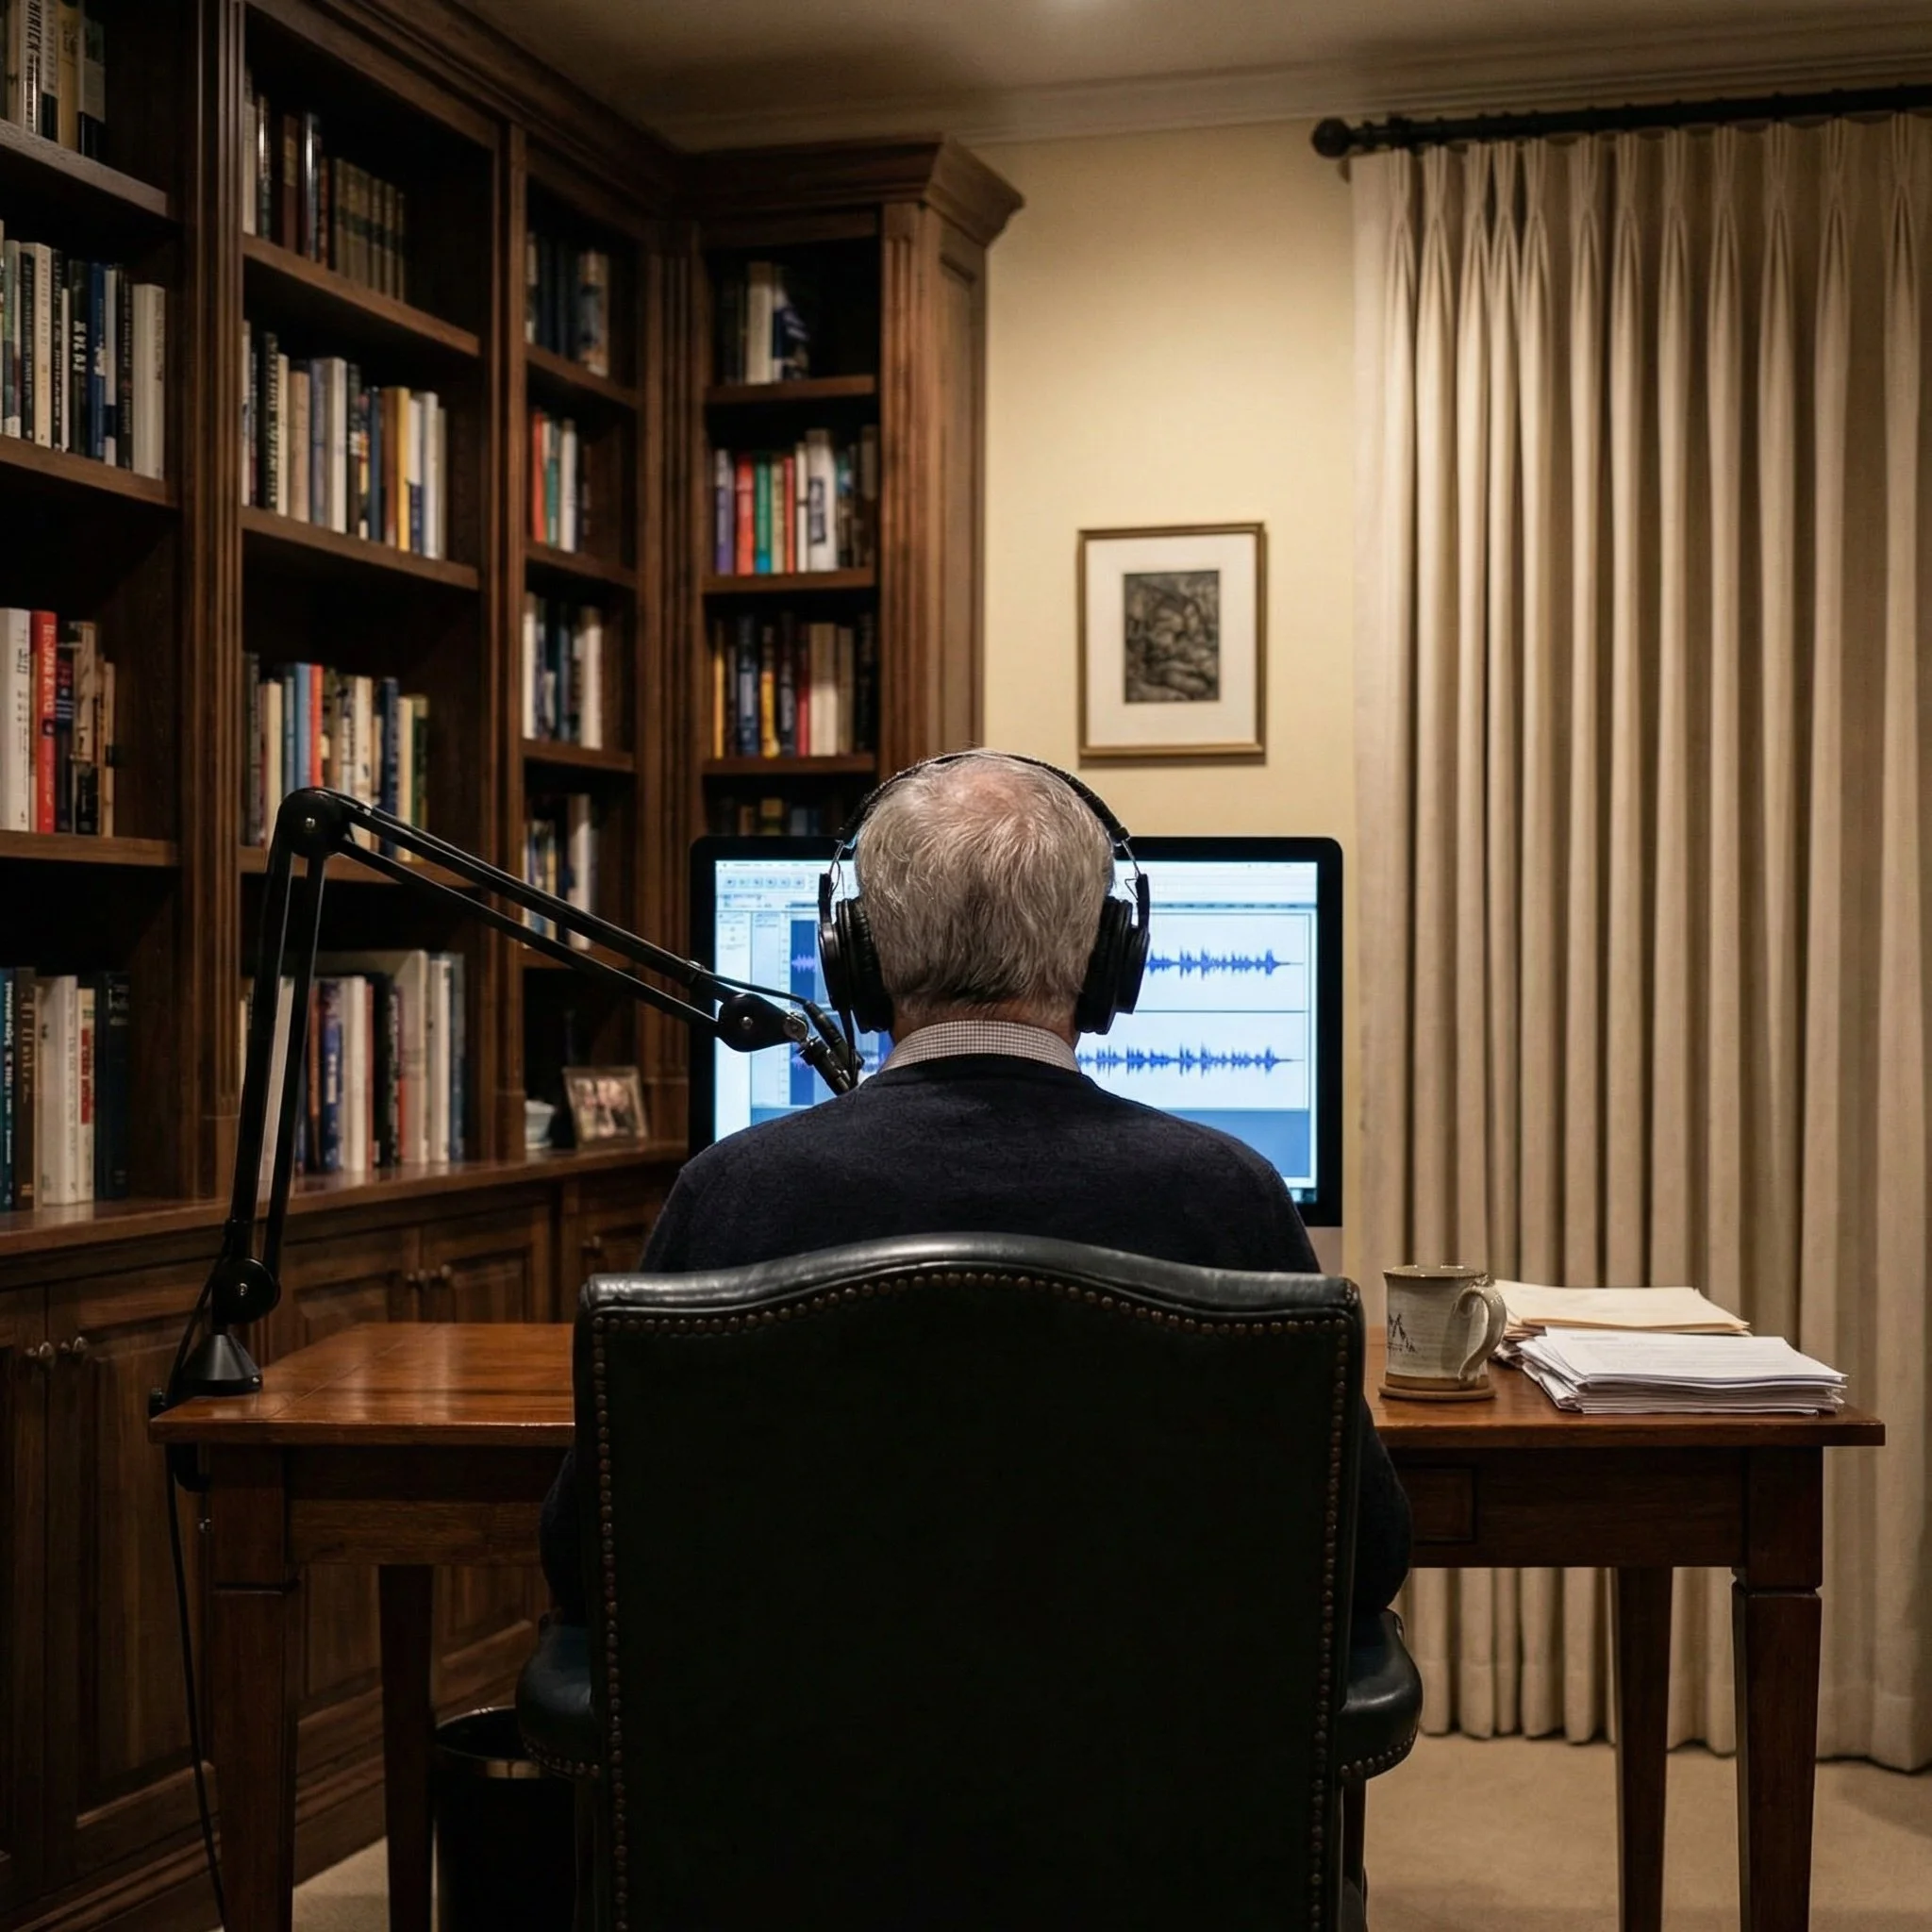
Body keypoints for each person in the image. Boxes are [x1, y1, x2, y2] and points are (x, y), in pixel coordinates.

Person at [541, 750, 1410, 1637]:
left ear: (858, 960)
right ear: (1111, 960)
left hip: (801, 1757)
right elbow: (1364, 1554)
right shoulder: (1228, 1194)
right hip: (1145, 1761)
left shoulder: (731, 1193)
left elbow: (589, 1554)